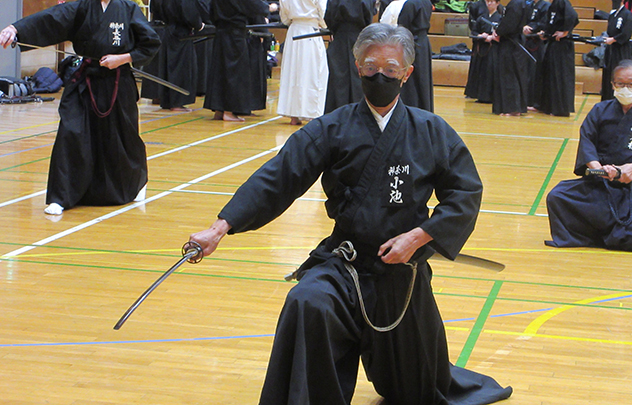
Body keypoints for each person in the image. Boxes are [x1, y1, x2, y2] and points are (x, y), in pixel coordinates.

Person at [189, 23, 513, 405]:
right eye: (371, 67)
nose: (380, 76)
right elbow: (279, 177)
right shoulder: (332, 128)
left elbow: (465, 193)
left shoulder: (431, 131)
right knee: (308, 301)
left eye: (391, 69)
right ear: (358, 67)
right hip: (345, 263)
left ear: (407, 73)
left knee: (417, 392)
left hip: (402, 271)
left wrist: (419, 237)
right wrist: (219, 228)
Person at [0, 0, 160, 215]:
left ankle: (133, 185)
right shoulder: (82, 7)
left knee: (122, 136)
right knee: (70, 131)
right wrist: (16, 29)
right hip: (85, 80)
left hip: (118, 82)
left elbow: (150, 43)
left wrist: (122, 58)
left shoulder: (128, 8)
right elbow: (51, 19)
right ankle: (61, 196)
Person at [545, 60, 632, 252]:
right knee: (558, 196)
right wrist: (597, 168)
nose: (625, 88)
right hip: (599, 185)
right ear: (612, 84)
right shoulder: (600, 111)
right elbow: (587, 140)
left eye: (631, 84)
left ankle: (605, 234)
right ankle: (595, 236)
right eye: (620, 84)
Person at [203, 0, 272, 122]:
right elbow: (253, 5)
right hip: (235, 33)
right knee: (235, 71)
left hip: (220, 31)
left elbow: (210, 10)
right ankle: (229, 111)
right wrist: (270, 7)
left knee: (220, 71)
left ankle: (219, 109)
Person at [276, 0, 329, 125]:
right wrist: (324, 25)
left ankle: (294, 115)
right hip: (311, 30)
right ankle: (313, 114)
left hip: (294, 30)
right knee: (313, 73)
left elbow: (284, 16)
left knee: (293, 72)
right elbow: (323, 11)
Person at [323, 0, 376, 113]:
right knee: (360, 79)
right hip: (360, 39)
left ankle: (337, 116)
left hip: (340, 40)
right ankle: (360, 115)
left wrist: (334, 30)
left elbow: (329, 17)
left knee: (338, 81)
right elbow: (369, 15)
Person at [157, 0, 205, 111]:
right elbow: (189, 12)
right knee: (180, 67)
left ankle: (167, 101)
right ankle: (177, 103)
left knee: (169, 66)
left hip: (168, 30)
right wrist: (198, 25)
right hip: (181, 33)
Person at [536, 0, 578, 117]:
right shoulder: (552, 5)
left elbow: (573, 16)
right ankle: (549, 107)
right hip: (553, 44)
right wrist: (545, 33)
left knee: (560, 75)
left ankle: (561, 109)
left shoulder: (562, 2)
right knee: (550, 75)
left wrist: (565, 32)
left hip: (562, 46)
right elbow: (551, 23)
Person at [490, 0, 528, 116]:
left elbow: (509, 24)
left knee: (509, 75)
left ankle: (512, 108)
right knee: (515, 74)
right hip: (515, 42)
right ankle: (516, 107)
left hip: (510, 44)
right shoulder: (522, 3)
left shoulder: (515, 4)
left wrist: (498, 32)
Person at [396, 0, 434, 112]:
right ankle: (424, 106)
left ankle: (411, 107)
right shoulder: (427, 2)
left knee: (410, 80)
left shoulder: (410, 4)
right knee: (422, 78)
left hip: (411, 42)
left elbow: (403, 25)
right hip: (423, 42)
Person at [464, 0, 501, 103]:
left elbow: (502, 34)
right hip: (481, 48)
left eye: (492, 1)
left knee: (490, 71)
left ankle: (490, 96)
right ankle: (480, 95)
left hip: (493, 49)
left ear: (497, 3)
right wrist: (480, 35)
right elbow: (474, 32)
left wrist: (492, 37)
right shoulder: (481, 18)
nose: (489, 4)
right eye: (488, 1)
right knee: (480, 71)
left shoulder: (500, 18)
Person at [600, 0, 632, 101]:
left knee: (620, 74)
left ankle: (620, 100)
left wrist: (614, 39)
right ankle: (607, 100)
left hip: (622, 50)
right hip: (611, 50)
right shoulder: (613, 15)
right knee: (609, 75)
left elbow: (626, 33)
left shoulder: (627, 15)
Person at [522, 0, 550, 110]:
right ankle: (526, 100)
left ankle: (535, 102)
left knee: (536, 72)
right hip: (527, 42)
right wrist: (524, 26)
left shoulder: (545, 6)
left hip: (538, 44)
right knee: (527, 72)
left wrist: (531, 28)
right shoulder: (529, 5)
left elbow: (544, 23)